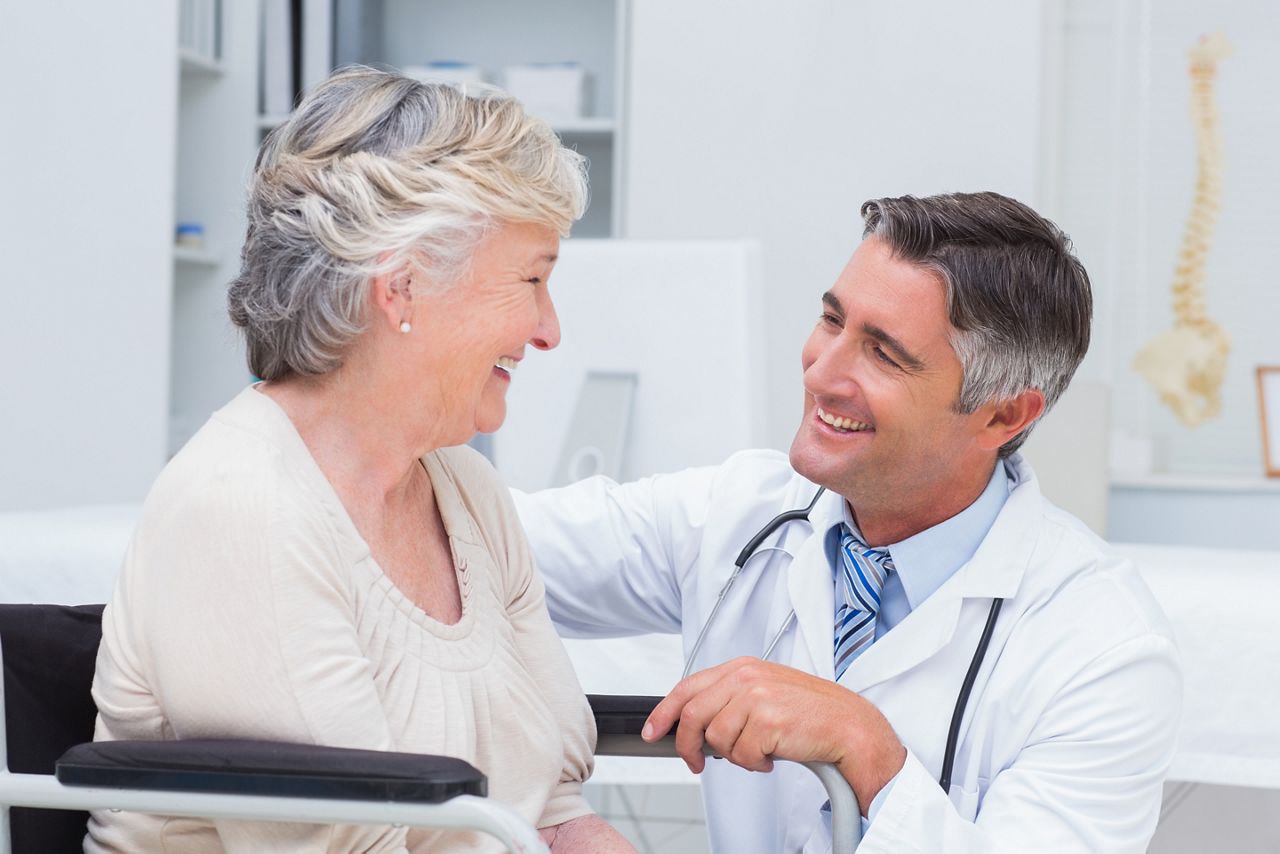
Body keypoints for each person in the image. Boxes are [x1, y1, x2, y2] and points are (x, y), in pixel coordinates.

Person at [514, 192, 1182, 852]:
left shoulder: (1103, 647)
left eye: (884, 354)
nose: (822, 372)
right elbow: (475, 541)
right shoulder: (738, 514)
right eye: (832, 321)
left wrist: (870, 754)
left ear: (1004, 415)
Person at [88, 67, 633, 853]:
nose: (549, 330)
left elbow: (556, 811)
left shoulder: (468, 495)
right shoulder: (240, 506)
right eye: (532, 280)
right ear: (403, 288)